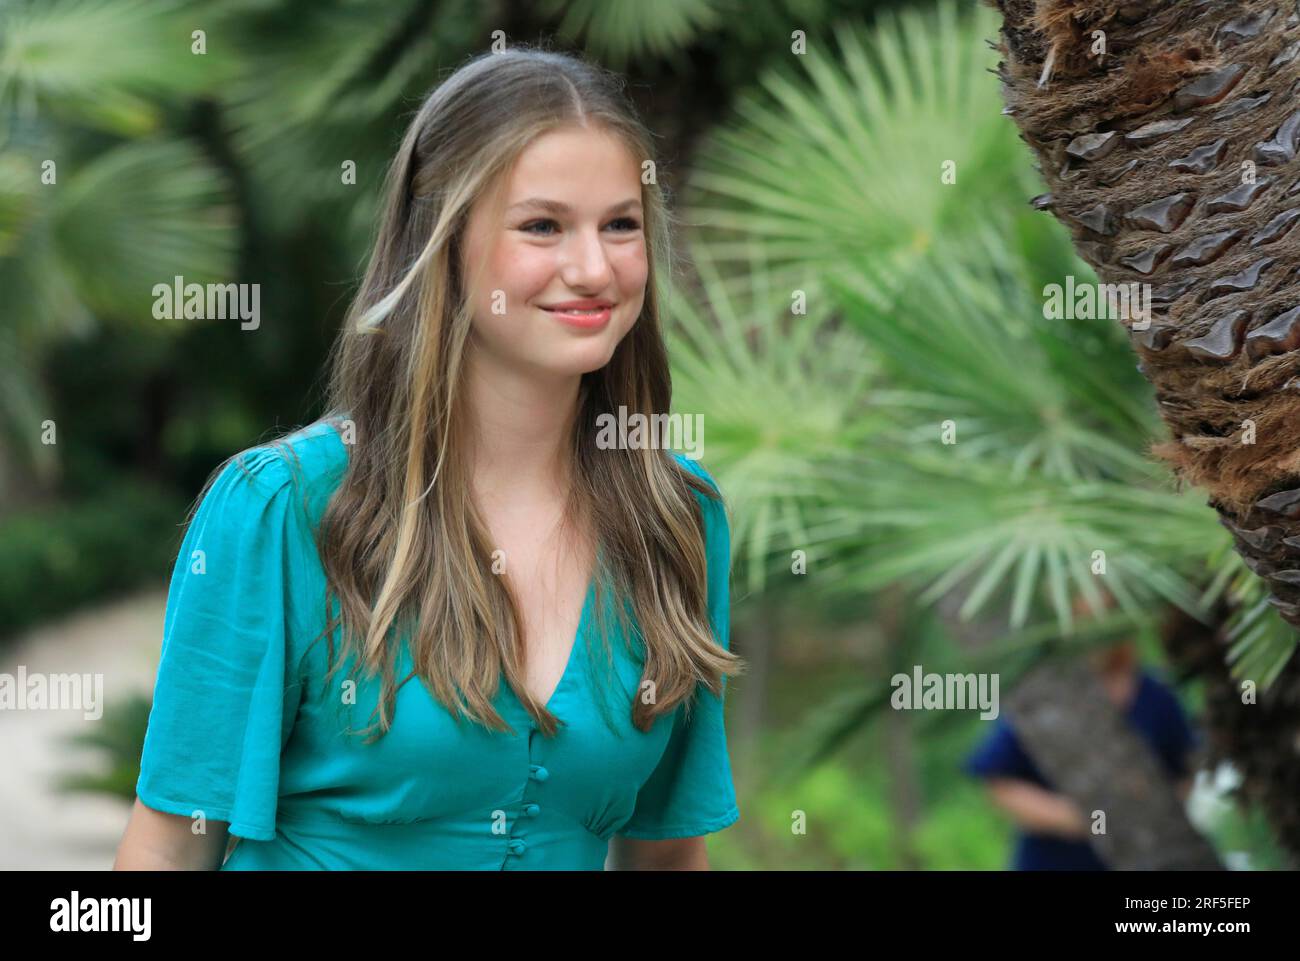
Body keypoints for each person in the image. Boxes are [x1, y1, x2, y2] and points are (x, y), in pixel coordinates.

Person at [113, 47, 744, 871]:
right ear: (442, 243)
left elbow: (667, 858)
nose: (594, 269)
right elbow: (165, 854)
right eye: (542, 225)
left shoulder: (680, 518)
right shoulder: (282, 509)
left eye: (620, 224)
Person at [963, 593, 1200, 870]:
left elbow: (1187, 766)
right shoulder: (1045, 694)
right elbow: (999, 780)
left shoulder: (1155, 694)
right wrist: (1073, 819)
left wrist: (1149, 815)